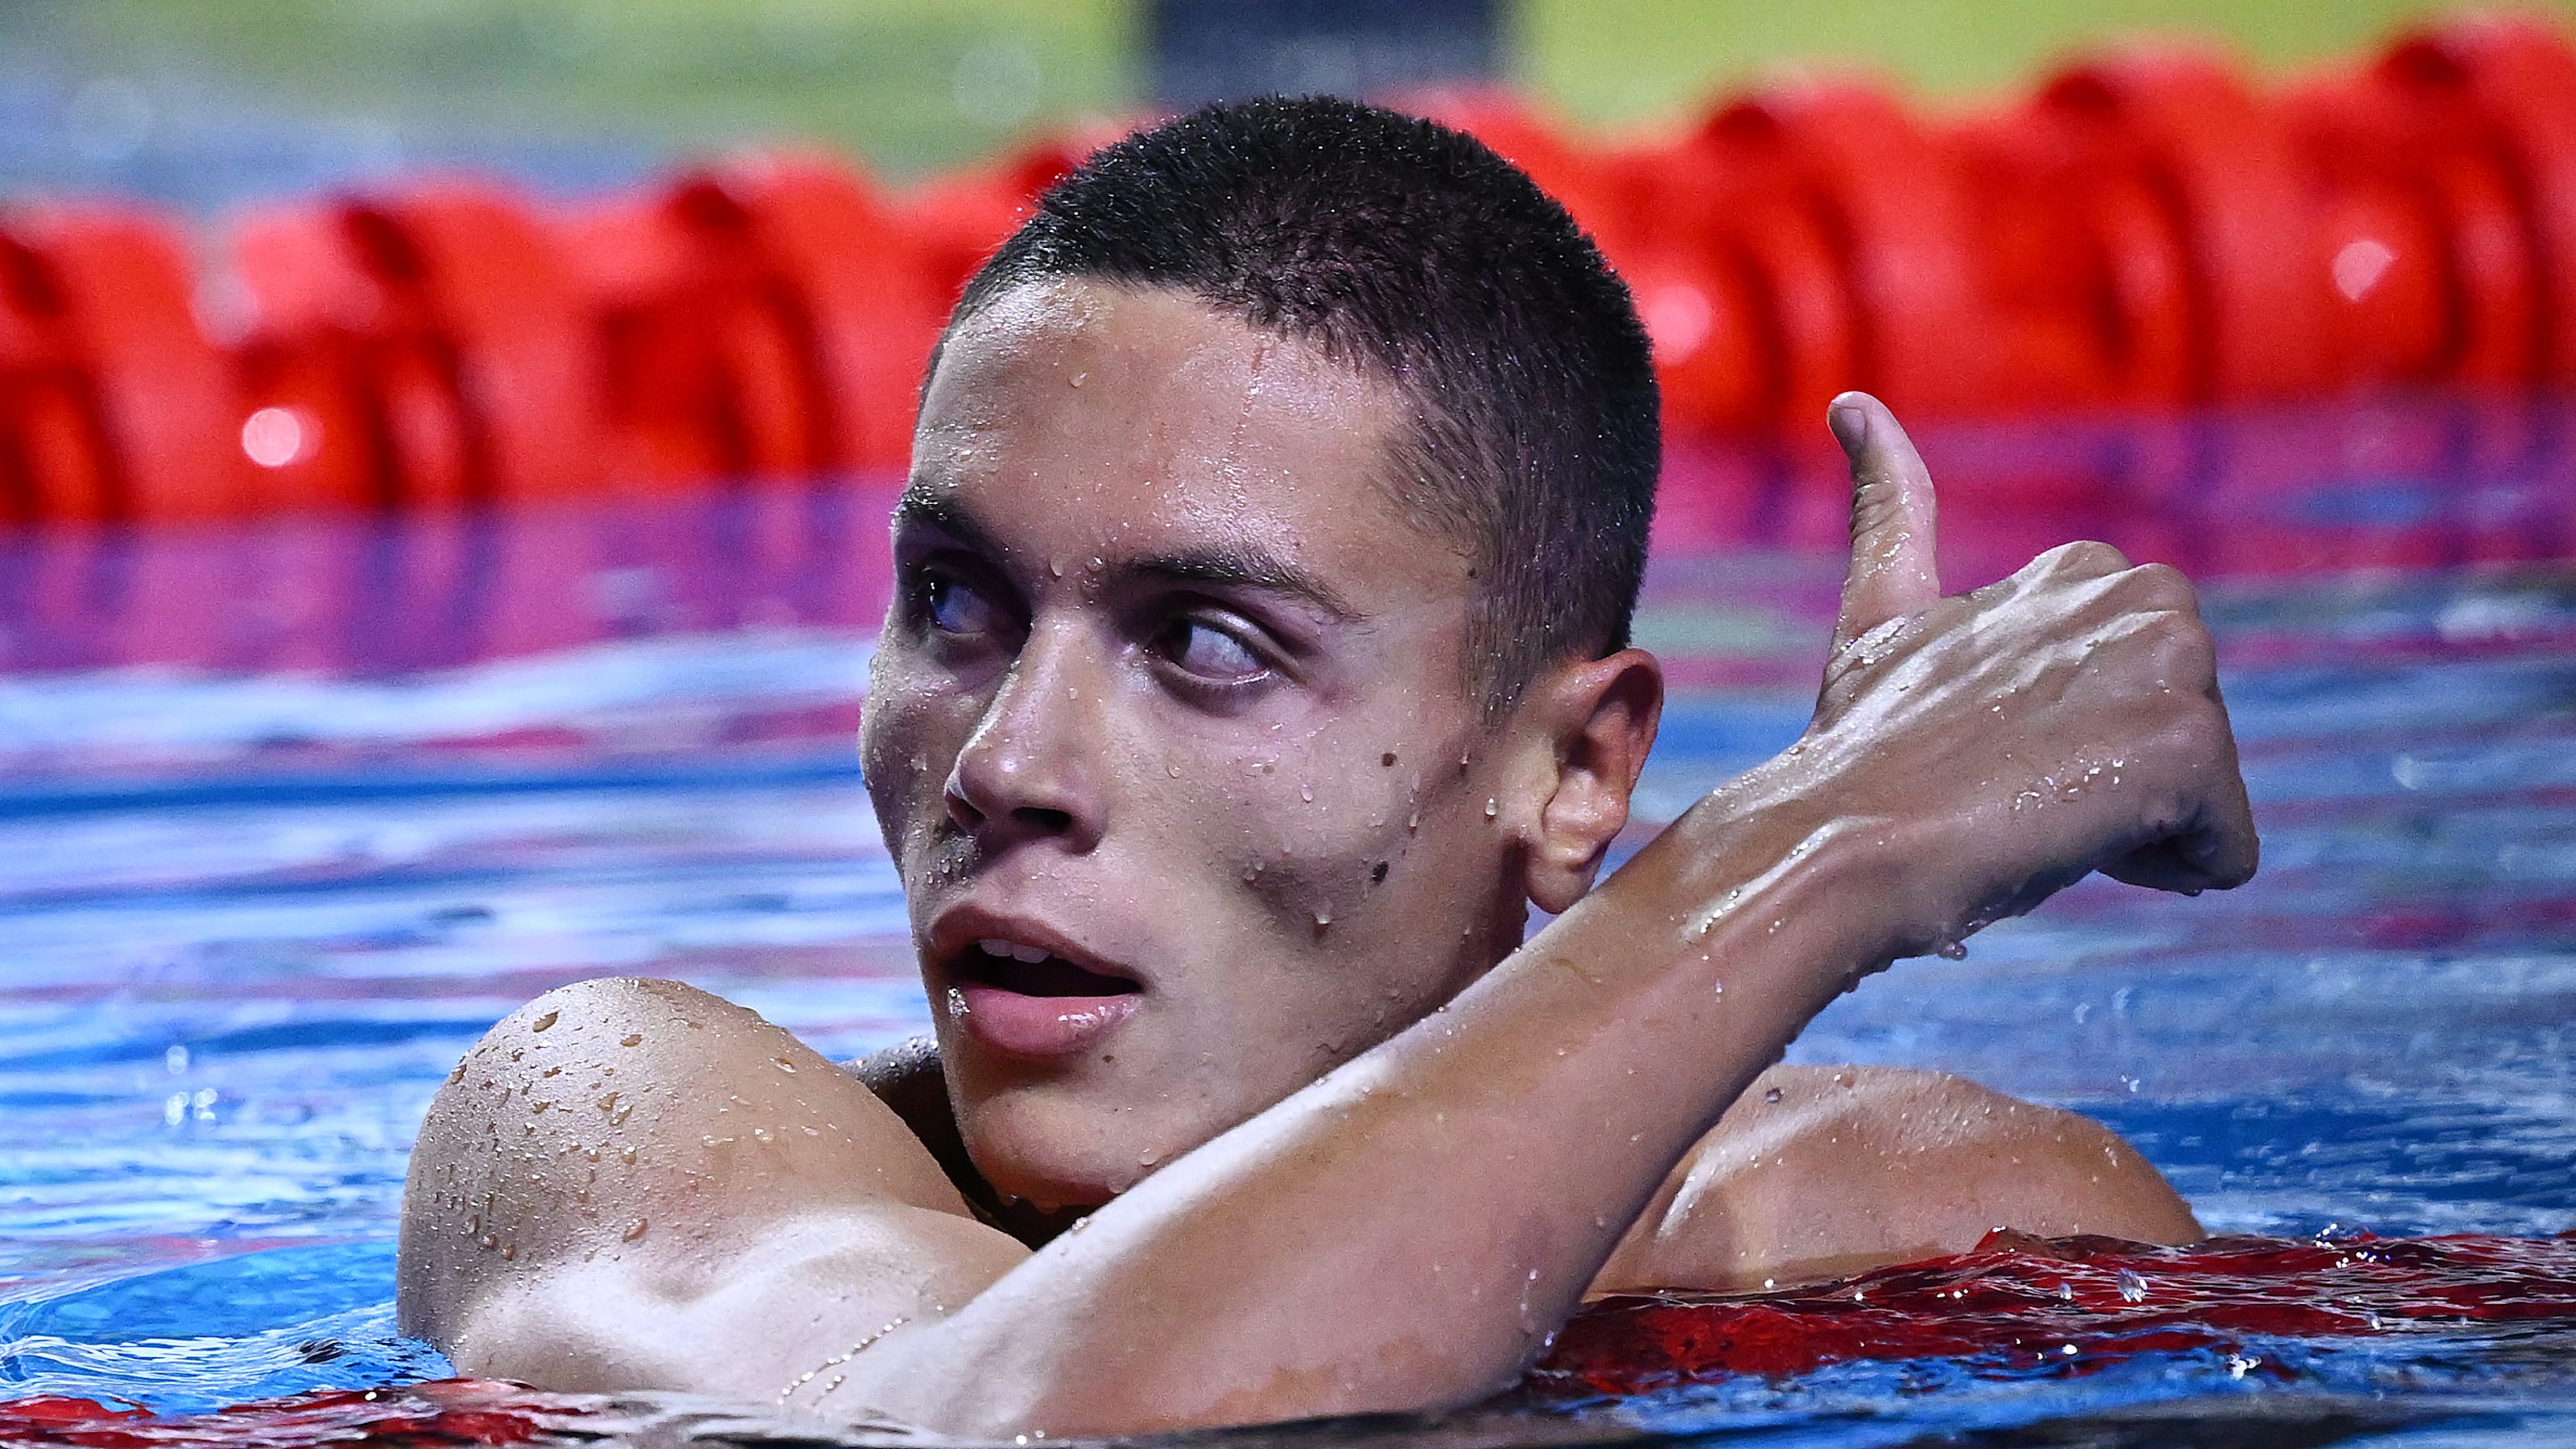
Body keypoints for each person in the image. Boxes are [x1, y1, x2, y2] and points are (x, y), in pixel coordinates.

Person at [395, 97, 2255, 1436]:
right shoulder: (629, 1139)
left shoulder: (1915, 1230)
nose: (1007, 759)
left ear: (1577, 772)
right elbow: (986, 1424)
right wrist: (1828, 848)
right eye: (954, 602)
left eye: (1207, 641)